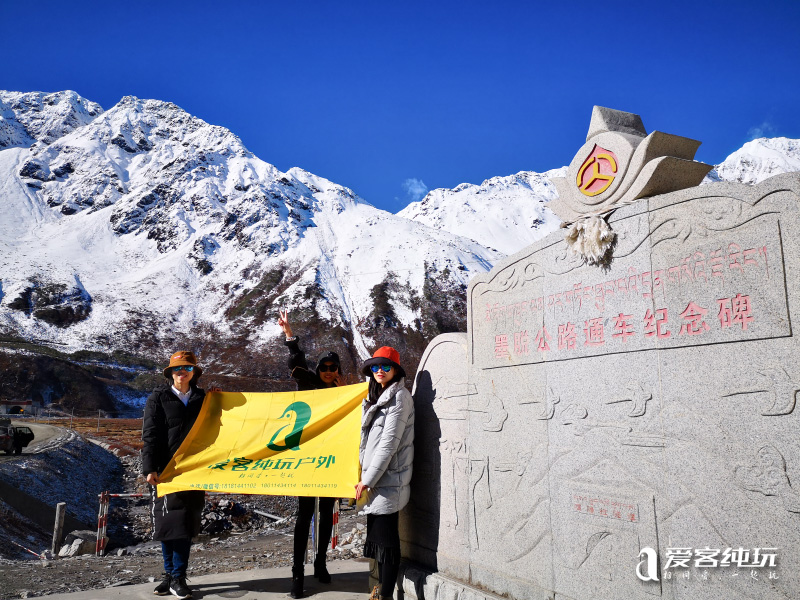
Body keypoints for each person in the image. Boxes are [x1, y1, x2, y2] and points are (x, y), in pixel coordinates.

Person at [278, 309, 343, 598]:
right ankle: (297, 572)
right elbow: (297, 364)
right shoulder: (309, 385)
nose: (328, 370)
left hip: (332, 460)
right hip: (308, 459)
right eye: (324, 366)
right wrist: (289, 336)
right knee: (304, 515)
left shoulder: (344, 394)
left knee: (327, 513)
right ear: (318, 370)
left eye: (333, 367)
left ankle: (320, 563)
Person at [141, 351, 208, 599]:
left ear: (194, 373)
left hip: (193, 468)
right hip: (165, 469)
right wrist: (149, 468)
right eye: (178, 369)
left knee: (185, 522)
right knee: (168, 522)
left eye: (187, 369)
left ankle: (177, 576)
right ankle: (172, 576)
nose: (182, 373)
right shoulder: (158, 398)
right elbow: (150, 434)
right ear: (170, 373)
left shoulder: (203, 398)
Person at [355, 346, 415, 600]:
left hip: (389, 479)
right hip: (377, 480)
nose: (380, 370)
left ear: (396, 370)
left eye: (385, 366)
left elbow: (389, 443)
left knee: (387, 542)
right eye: (375, 367)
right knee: (379, 542)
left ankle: (386, 595)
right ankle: (379, 591)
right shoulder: (374, 397)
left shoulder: (399, 398)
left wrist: (366, 480)